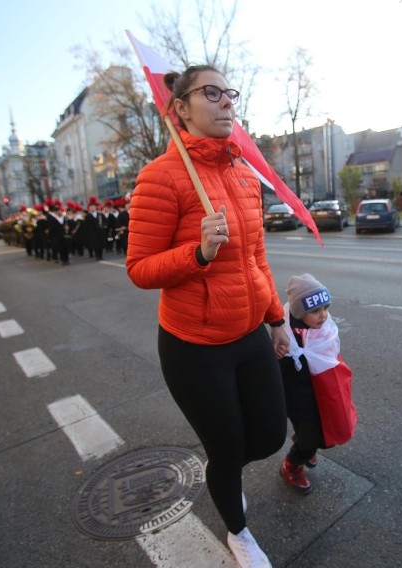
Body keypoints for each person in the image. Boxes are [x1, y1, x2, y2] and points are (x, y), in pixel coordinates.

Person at [126, 64, 288, 568]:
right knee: (227, 443)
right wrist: (196, 253)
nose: (226, 103)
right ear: (181, 108)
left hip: (249, 333)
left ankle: (224, 474)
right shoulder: (161, 176)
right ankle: (238, 532)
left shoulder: (243, 176)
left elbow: (256, 259)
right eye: (211, 93)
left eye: (229, 93)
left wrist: (277, 318)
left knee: (268, 435)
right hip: (194, 346)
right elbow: (139, 269)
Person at [278, 273, 350, 494]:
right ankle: (292, 464)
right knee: (313, 438)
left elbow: (329, 358)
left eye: (325, 308)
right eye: (315, 311)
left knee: (322, 428)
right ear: (300, 312)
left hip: (319, 392)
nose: (323, 315)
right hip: (296, 398)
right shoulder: (283, 338)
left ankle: (304, 442)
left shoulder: (323, 330)